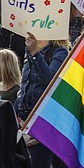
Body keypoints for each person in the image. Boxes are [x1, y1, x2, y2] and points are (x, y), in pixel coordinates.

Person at [13, 33, 69, 167]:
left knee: (38, 163)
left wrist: (35, 53)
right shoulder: (29, 51)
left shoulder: (59, 52)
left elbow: (51, 82)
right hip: (23, 116)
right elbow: (25, 85)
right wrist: (14, 111)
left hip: (42, 118)